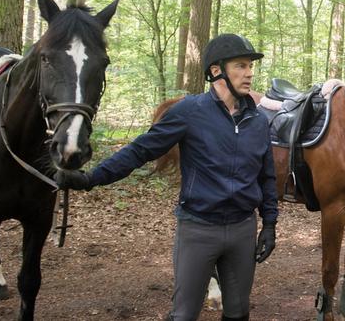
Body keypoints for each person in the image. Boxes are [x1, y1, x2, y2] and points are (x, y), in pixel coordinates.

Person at [56, 33, 278, 321]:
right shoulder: (189, 112)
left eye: (250, 66)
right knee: (184, 314)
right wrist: (91, 179)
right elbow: (141, 150)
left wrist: (270, 223)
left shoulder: (258, 121)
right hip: (198, 230)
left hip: (242, 230)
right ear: (216, 70)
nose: (249, 73)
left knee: (238, 312)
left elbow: (267, 177)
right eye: (241, 65)